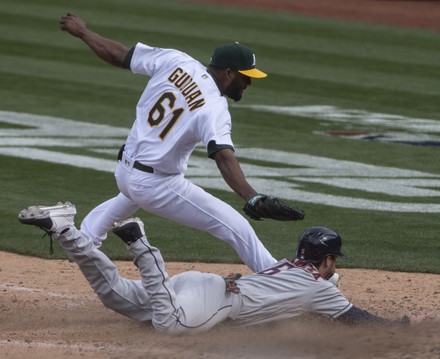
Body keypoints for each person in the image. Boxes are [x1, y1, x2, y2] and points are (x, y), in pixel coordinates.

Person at [58, 12, 303, 273]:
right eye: (246, 76)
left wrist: (83, 32)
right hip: (156, 185)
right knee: (234, 226)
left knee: (129, 196)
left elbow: (119, 55)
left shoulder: (176, 61)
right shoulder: (214, 107)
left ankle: (83, 240)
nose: (249, 83)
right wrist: (252, 197)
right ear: (229, 73)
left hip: (125, 171)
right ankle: (283, 281)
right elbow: (223, 156)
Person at [18, 202, 422, 334]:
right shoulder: (322, 289)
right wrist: (399, 327)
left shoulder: (287, 267)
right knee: (169, 328)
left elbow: (286, 304)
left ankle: (64, 228)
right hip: (211, 300)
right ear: (329, 260)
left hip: (200, 287)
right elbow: (357, 319)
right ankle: (140, 242)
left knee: (114, 295)